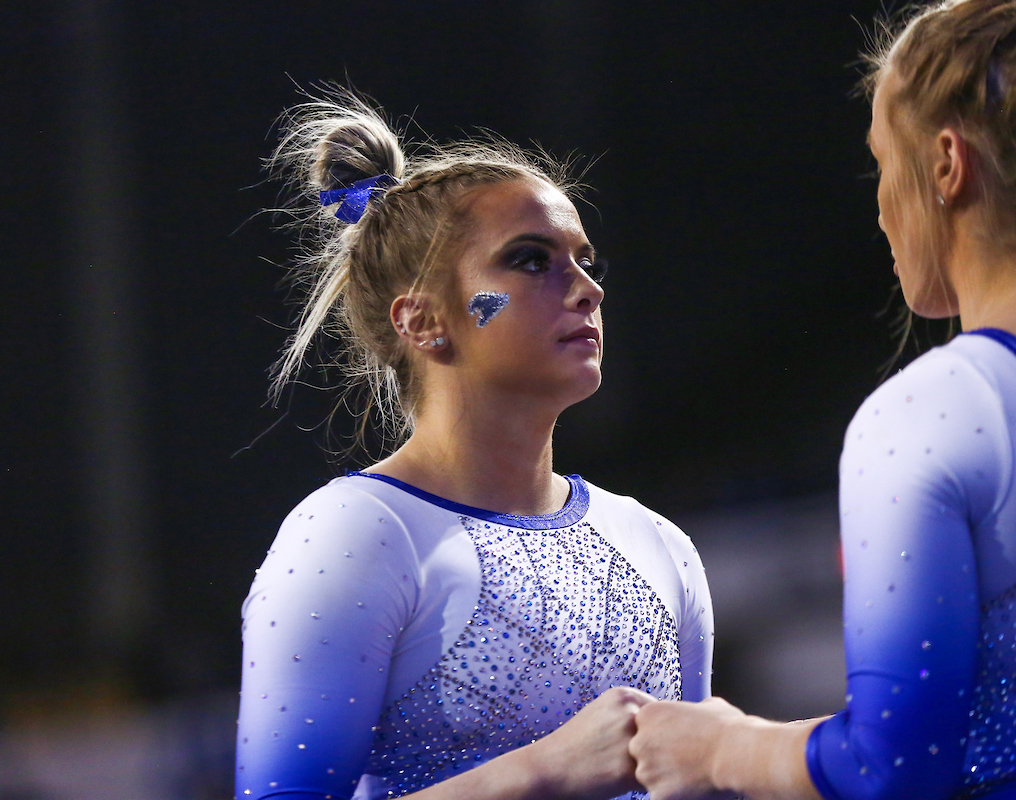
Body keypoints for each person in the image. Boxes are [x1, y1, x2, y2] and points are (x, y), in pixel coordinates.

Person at [629, 0, 1016, 798]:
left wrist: (721, 747)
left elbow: (891, 769)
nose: (880, 205)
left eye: (882, 163)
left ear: (945, 163)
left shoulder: (937, 412)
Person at [235, 90, 713, 800]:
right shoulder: (355, 537)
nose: (587, 289)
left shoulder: (658, 545)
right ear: (424, 320)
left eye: (586, 262)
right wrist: (544, 770)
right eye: (530, 260)